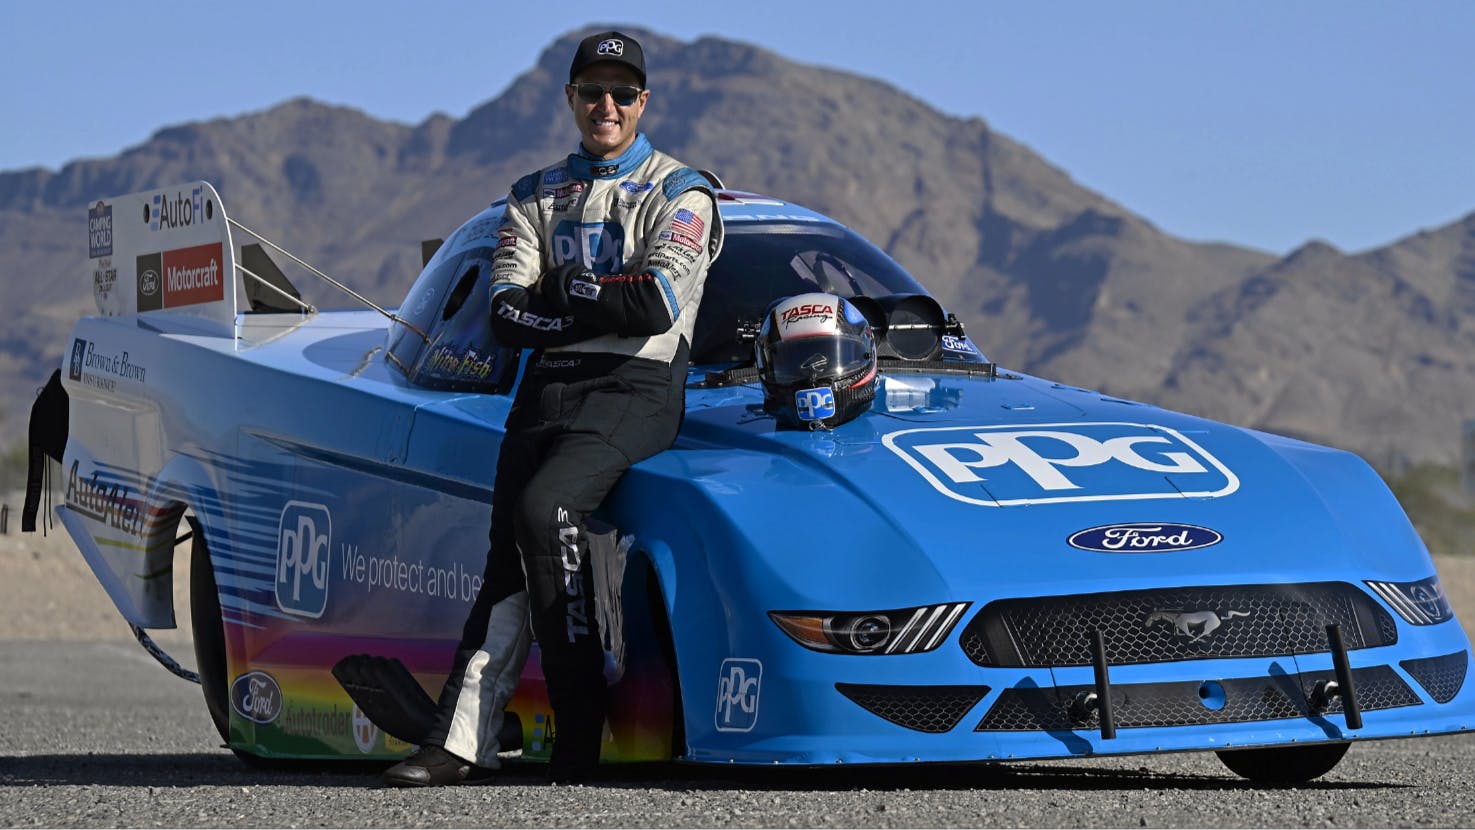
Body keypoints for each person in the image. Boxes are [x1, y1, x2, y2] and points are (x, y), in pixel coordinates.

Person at [383, 30, 722, 787]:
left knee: (545, 509)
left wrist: (565, 294)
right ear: (570, 99)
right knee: (505, 562)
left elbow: (657, 304)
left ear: (644, 103)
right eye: (592, 92)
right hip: (544, 389)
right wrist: (587, 304)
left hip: (638, 389)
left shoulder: (682, 191)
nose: (607, 105)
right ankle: (457, 742)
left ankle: (579, 728)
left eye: (622, 93)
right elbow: (505, 313)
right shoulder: (534, 193)